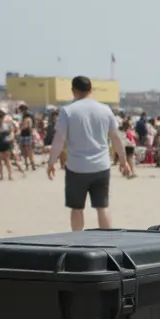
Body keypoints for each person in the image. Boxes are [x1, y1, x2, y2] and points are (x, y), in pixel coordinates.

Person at [47, 76, 132, 231]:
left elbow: (59, 138)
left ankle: (79, 241)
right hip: (101, 166)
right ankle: (107, 240)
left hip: (76, 167)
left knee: (77, 208)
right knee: (102, 207)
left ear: (73, 91)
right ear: (91, 90)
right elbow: (115, 137)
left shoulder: (68, 111)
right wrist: (123, 160)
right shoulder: (105, 110)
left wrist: (51, 162)